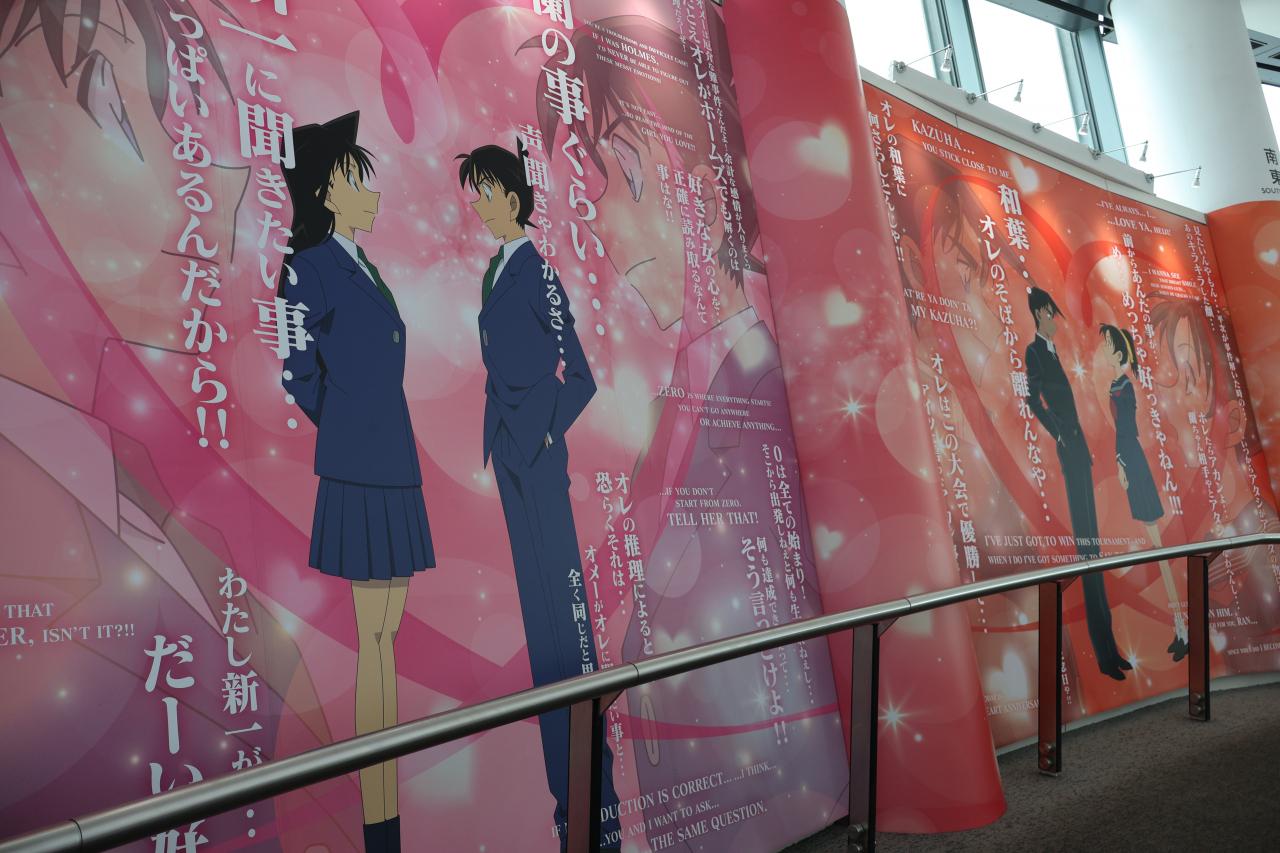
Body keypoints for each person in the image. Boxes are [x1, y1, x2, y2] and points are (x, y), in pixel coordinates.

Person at [456, 141, 621, 851]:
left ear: (512, 196)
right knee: (541, 629)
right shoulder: (494, 272)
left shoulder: (538, 271)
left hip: (539, 461)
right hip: (511, 461)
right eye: (474, 192)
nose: (478, 204)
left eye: (486, 191)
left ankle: (596, 800)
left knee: (566, 631)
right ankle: (567, 803)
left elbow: (579, 375)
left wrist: (547, 432)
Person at [282, 112, 434, 853]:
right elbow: (298, 370)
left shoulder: (361, 264)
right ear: (325, 192)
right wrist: (345, 423)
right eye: (355, 181)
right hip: (360, 464)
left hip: (391, 460)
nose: (370, 193)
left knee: (386, 635)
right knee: (375, 638)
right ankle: (380, 819)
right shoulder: (309, 267)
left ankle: (385, 806)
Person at [1025, 287, 1130, 680]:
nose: (1056, 321)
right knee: (1088, 553)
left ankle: (1110, 648)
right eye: (1052, 314)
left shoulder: (1051, 351)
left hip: (1079, 451)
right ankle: (1104, 654)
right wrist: (1061, 434)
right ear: (1040, 313)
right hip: (1069, 450)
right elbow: (1033, 400)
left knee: (1095, 551)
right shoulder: (1035, 352)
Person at [1098, 324, 1188, 661]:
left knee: (1159, 550)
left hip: (1133, 461)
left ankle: (1182, 628)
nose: (1104, 348)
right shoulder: (1117, 384)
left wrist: (1121, 462)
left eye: (1108, 343)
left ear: (1119, 351)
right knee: (1156, 548)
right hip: (1130, 459)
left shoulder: (1123, 386)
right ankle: (1180, 628)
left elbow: (1125, 429)